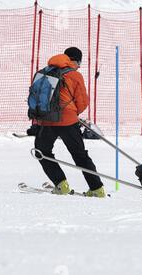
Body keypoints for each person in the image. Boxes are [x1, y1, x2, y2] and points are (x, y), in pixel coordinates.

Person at [34, 47, 106, 197]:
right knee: (80, 155)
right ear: (77, 60)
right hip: (68, 121)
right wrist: (73, 113)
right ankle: (97, 189)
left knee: (42, 152)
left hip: (46, 121)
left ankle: (61, 184)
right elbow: (82, 102)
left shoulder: (44, 72)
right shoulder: (75, 75)